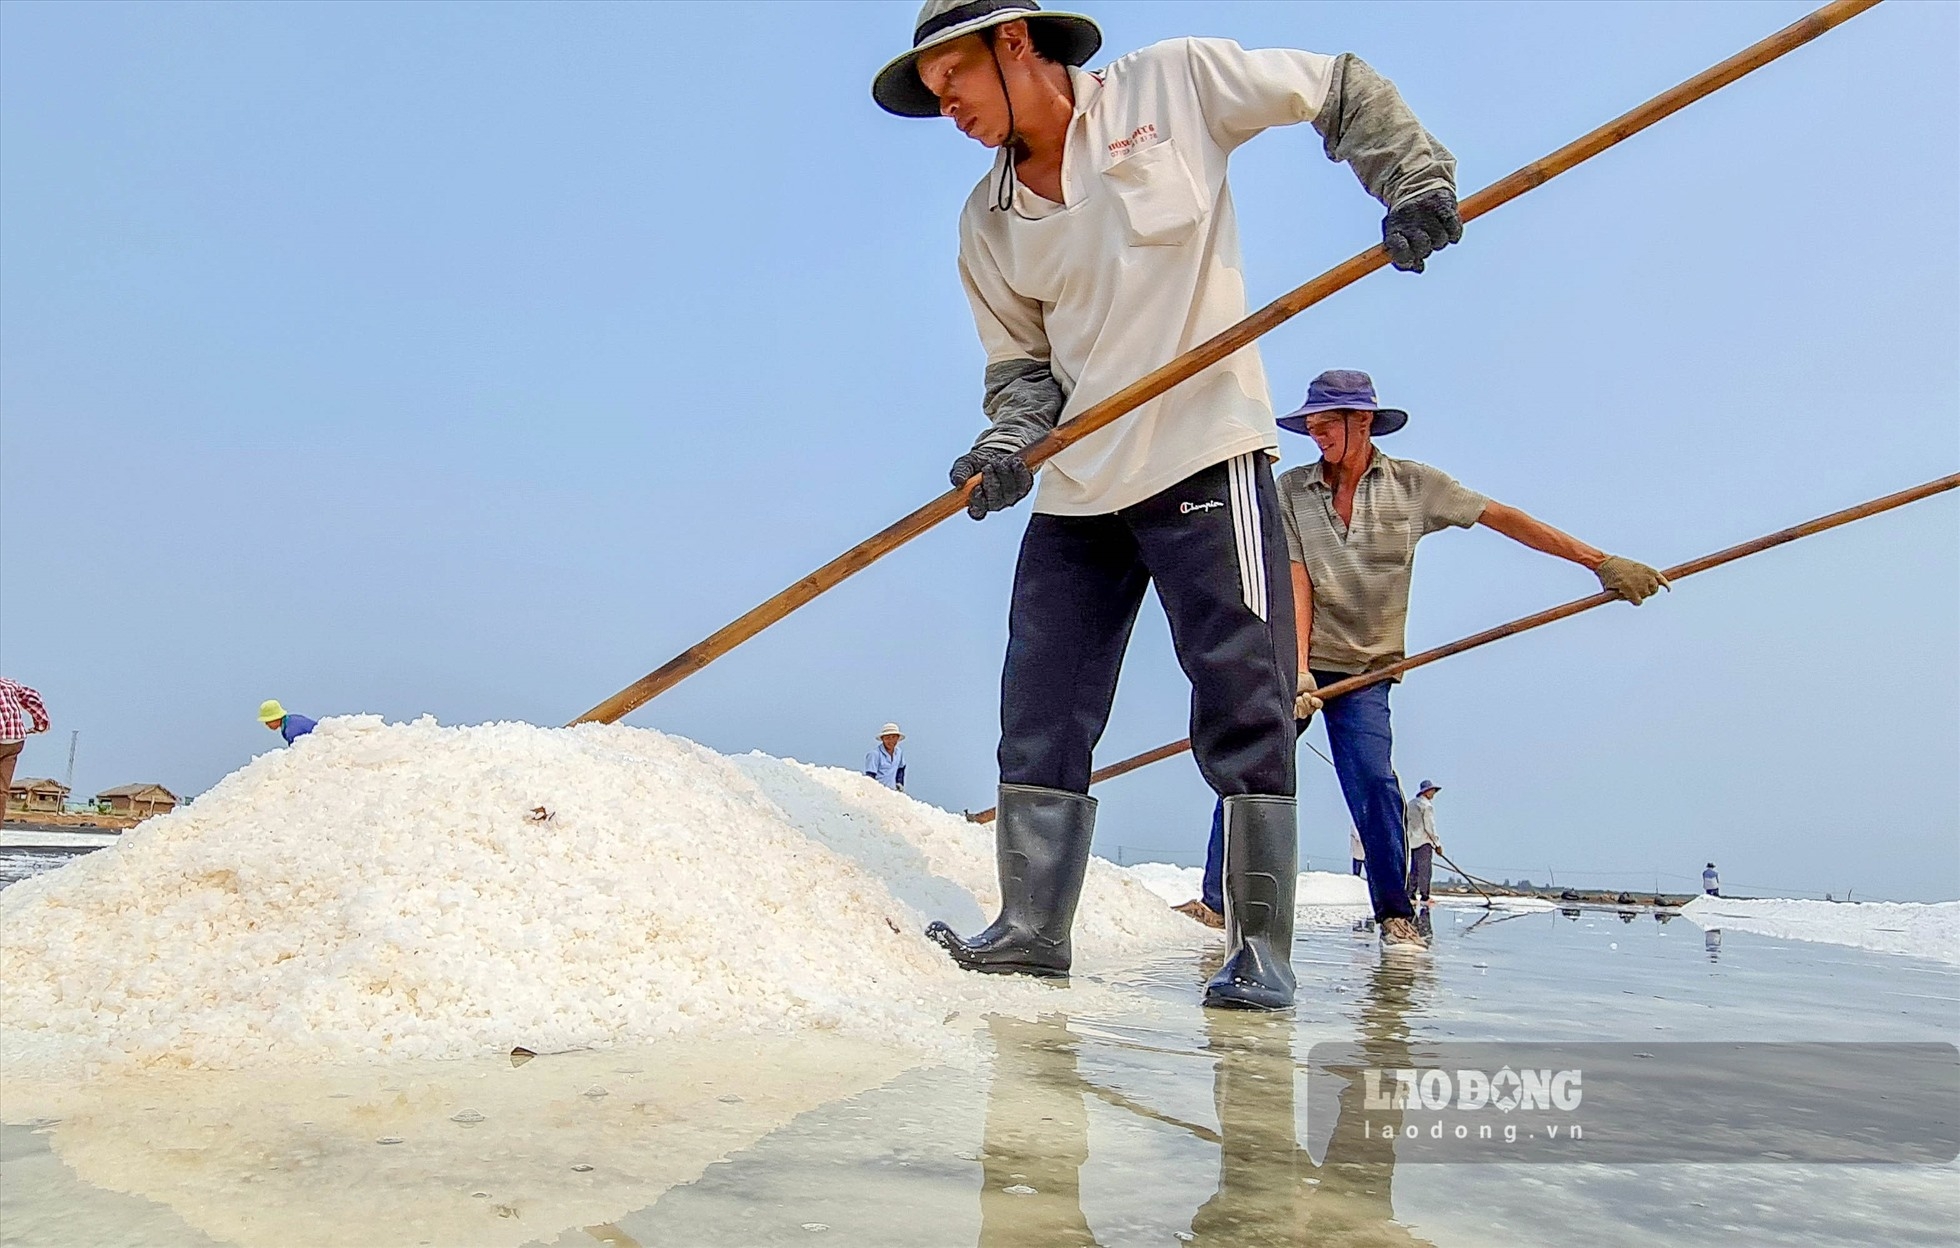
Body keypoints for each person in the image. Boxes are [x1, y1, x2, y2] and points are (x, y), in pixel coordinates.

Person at [876, 0, 1464, 1012]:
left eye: (954, 81)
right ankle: (1029, 930)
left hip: (1204, 455)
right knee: (1041, 705)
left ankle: (1260, 952)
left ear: (1014, 42)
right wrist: (1009, 445)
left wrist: (1411, 179)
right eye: (933, 98)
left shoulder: (1170, 87)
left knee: (1243, 699)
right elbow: (1022, 372)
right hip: (1080, 489)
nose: (949, 110)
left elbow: (1337, 89)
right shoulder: (987, 222)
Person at [1197, 369, 1668, 950]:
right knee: (1254, 767)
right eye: (1310, 427)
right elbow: (1298, 582)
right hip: (1296, 660)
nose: (1315, 437)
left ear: (1362, 422)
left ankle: (1396, 913)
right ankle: (1217, 904)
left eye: (1325, 426)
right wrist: (1297, 671)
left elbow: (1504, 518)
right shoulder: (1291, 489)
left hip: (1368, 669)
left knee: (1372, 782)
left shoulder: (1415, 485)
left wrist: (1599, 562)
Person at [0, 676, 52, 809]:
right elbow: (32, 697)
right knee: (2, 790)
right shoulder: (7, 683)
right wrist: (41, 724)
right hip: (13, 741)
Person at [1404, 779, 1442, 903]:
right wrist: (1437, 844)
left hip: (1412, 840)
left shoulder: (1411, 804)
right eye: (1432, 791)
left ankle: (1411, 893)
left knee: (1414, 868)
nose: (1433, 794)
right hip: (1424, 841)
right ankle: (1425, 895)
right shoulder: (1426, 806)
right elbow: (1429, 827)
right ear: (1426, 792)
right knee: (1425, 869)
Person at [863, 723, 908, 792]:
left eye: (893, 737)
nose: (891, 741)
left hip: (893, 792)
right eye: (887, 738)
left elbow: (901, 768)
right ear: (882, 739)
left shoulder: (899, 752)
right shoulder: (874, 754)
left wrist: (899, 782)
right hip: (879, 793)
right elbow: (870, 777)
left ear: (898, 738)